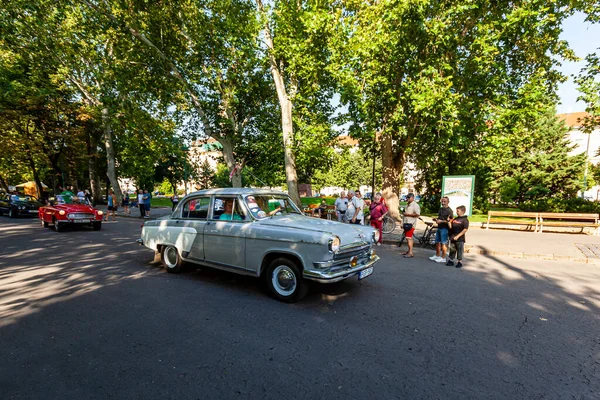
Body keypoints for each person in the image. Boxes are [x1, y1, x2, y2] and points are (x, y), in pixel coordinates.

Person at [430, 196, 453, 263]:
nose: (443, 203)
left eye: (444, 201)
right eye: (442, 201)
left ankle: (443, 257)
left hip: (445, 228)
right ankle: (437, 255)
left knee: (444, 243)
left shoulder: (449, 210)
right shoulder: (441, 209)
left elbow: (450, 220)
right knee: (437, 242)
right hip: (439, 227)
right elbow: (440, 218)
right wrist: (436, 220)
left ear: (448, 202)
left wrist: (441, 221)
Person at [401, 193, 421, 258]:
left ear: (412, 198)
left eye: (408, 198)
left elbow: (418, 214)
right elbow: (404, 215)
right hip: (406, 223)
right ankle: (409, 251)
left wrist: (408, 215)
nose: (407, 199)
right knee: (408, 238)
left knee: (409, 238)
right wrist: (402, 223)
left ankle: (411, 253)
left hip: (411, 224)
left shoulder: (415, 205)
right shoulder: (407, 205)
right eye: (407, 197)